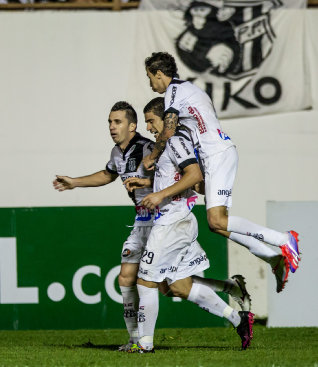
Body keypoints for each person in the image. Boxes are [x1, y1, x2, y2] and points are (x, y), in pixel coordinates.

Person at [53, 101, 251, 352]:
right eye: (110, 122)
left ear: (132, 125)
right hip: (143, 222)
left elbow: (181, 176)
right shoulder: (117, 153)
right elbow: (107, 174)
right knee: (129, 277)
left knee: (171, 286)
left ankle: (147, 342)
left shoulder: (150, 148)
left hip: (167, 220)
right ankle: (136, 339)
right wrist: (74, 182)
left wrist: (150, 184)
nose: (112, 127)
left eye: (118, 122)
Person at [141, 52, 299, 292]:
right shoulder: (188, 91)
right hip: (214, 155)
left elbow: (169, 128)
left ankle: (284, 240)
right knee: (217, 225)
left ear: (159, 74)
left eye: (150, 77)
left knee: (217, 219)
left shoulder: (174, 90)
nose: (150, 83)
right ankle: (273, 258)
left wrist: (152, 157)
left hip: (217, 154)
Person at [123, 97, 254, 353]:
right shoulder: (165, 146)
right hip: (177, 221)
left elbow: (194, 176)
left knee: (145, 281)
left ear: (165, 119)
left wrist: (159, 195)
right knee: (179, 287)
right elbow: (180, 179)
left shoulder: (175, 141)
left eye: (151, 121)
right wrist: (148, 185)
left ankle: (144, 344)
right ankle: (239, 320)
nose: (148, 127)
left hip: (174, 223)